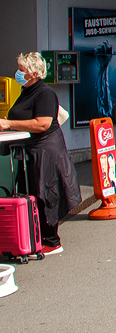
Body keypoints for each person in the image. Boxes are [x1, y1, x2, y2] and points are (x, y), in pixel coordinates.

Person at [0, 52, 82, 254]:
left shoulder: (44, 93)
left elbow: (42, 123)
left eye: (22, 70)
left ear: (35, 73)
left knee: (46, 193)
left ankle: (52, 241)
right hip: (31, 150)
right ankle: (33, 238)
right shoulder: (26, 90)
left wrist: (9, 123)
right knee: (33, 193)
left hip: (46, 151)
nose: (18, 73)